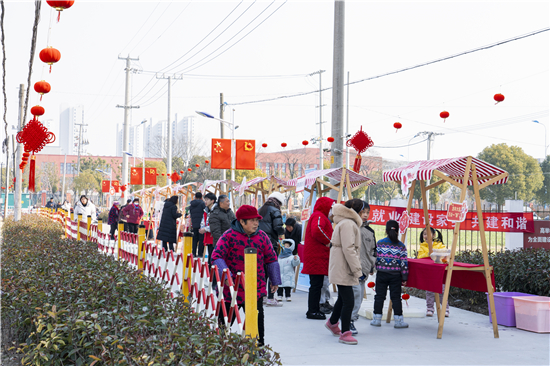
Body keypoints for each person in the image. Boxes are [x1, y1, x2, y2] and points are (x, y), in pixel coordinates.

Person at [211, 205, 281, 346]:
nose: (256, 223)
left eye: (257, 220)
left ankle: (258, 349)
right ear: (242, 222)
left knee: (256, 322)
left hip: (255, 289)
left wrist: (275, 279)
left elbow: (271, 258)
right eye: (252, 220)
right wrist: (226, 277)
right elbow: (217, 256)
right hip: (231, 289)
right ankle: (218, 348)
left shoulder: (263, 237)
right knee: (224, 323)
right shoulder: (228, 236)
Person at [325, 199, 364, 345]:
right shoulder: (348, 223)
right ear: (357, 211)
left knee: (343, 298)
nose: (364, 214)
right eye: (364, 211)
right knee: (349, 300)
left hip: (341, 265)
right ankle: (345, 332)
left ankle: (333, 322)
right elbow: (349, 248)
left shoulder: (344, 221)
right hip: (344, 267)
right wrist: (357, 270)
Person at [370, 219, 409, 329]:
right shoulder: (401, 246)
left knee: (379, 297)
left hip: (381, 274)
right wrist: (405, 276)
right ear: (398, 231)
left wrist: (371, 268)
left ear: (386, 231)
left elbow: (374, 258)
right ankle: (398, 321)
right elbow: (404, 263)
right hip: (395, 276)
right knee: (396, 298)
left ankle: (376, 320)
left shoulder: (380, 243)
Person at [302, 196, 334, 320]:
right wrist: (328, 241)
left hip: (317, 256)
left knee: (316, 285)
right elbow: (317, 230)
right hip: (317, 256)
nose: (331, 210)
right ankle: (313, 310)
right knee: (316, 285)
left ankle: (314, 309)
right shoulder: (319, 216)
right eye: (330, 207)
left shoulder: (318, 215)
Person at [350, 201, 377, 335]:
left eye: (367, 212)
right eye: (362, 212)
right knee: (354, 295)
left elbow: (373, 251)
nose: (365, 215)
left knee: (359, 297)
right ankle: (349, 320)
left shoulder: (370, 231)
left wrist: (371, 266)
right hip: (351, 269)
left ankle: (347, 320)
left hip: (364, 270)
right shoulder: (351, 226)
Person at [259, 191, 285, 306]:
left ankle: (263, 296)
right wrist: (282, 233)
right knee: (272, 268)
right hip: (271, 243)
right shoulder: (275, 210)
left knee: (263, 270)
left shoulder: (261, 209)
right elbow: (278, 227)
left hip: (259, 242)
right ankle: (270, 297)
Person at [418, 227, 449, 317]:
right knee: (429, 291)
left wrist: (436, 254)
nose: (426, 236)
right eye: (424, 234)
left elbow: (444, 254)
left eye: (428, 233)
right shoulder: (423, 245)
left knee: (442, 290)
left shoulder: (439, 244)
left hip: (440, 272)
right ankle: (430, 309)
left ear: (434, 235)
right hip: (429, 271)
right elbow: (420, 256)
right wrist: (428, 254)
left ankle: (445, 309)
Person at [199, 192, 217, 264]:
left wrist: (205, 229)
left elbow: (216, 224)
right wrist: (202, 228)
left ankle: (212, 272)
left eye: (207, 199)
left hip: (214, 236)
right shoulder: (206, 210)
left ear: (212, 201)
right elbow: (203, 221)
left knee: (212, 256)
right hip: (208, 236)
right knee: (210, 254)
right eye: (205, 199)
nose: (205, 201)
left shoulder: (216, 210)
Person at [189, 192, 206, 257]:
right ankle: (200, 253)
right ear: (201, 197)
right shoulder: (202, 203)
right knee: (201, 239)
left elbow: (190, 213)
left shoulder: (191, 204)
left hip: (194, 224)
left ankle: (193, 253)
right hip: (201, 224)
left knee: (195, 239)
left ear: (195, 197)